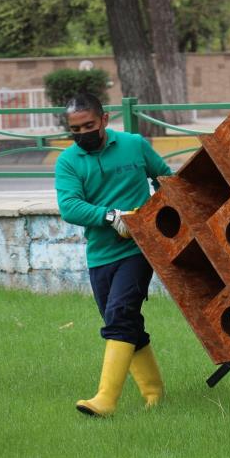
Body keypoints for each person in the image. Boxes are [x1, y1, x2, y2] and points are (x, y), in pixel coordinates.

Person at [55, 92, 172, 417]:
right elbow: (70, 206)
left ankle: (106, 400)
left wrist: (156, 219)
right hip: (100, 254)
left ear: (105, 120)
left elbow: (166, 180)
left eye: (88, 125)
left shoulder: (134, 144)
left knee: (120, 313)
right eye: (75, 129)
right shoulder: (68, 162)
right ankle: (154, 394)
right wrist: (111, 217)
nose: (82, 134)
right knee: (121, 320)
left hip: (139, 248)